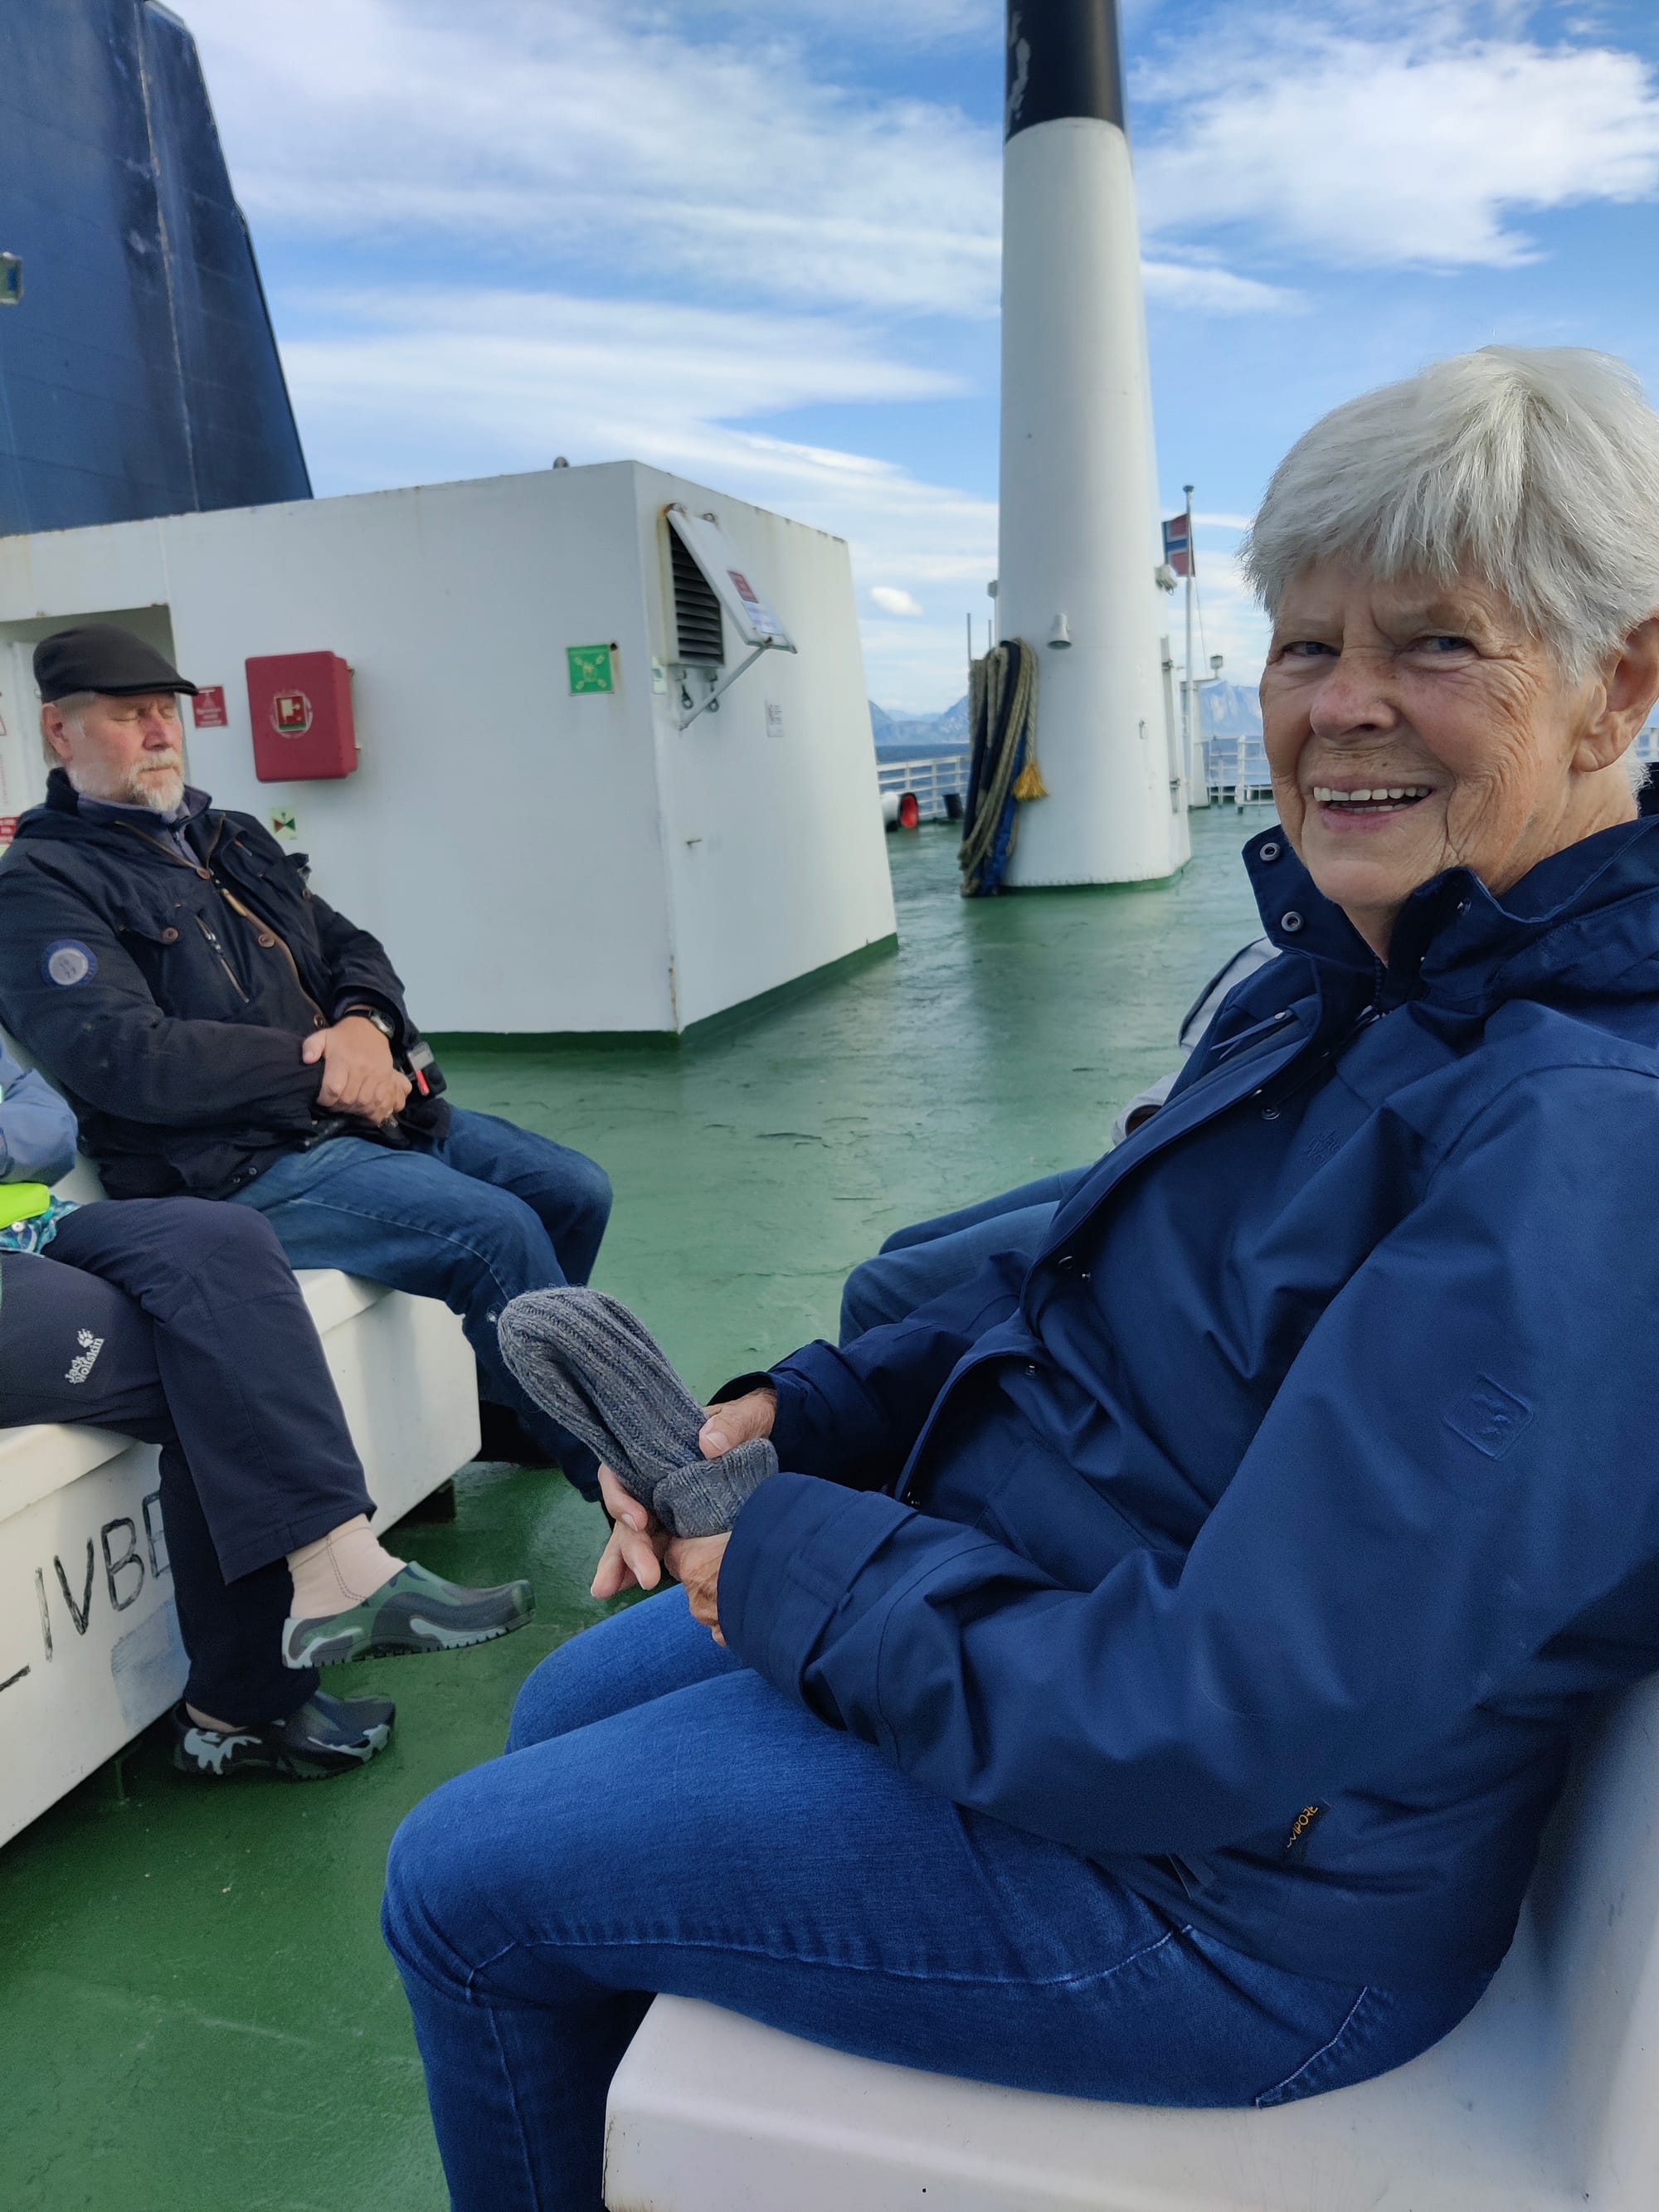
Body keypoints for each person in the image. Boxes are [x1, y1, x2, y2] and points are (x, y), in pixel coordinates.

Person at [383, 343, 1659, 2210]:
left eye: (1436, 644)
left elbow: (1225, 1711)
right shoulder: (1349, 984)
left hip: (1232, 1897)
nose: (1340, 706)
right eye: (1306, 645)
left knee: (459, 1879)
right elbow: (1082, 1295)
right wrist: (806, 1415)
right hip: (1075, 1634)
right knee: (563, 1713)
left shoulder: (1585, 1135)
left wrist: (791, 1556)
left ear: (1617, 682)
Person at [0, 625, 612, 1490]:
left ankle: (506, 1414)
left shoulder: (230, 837)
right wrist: (322, 1070)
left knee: (573, 1189)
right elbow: (124, 1058)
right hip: (225, 1167)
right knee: (494, 1232)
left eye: (167, 711)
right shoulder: (40, 885)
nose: (161, 732)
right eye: (130, 715)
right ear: (59, 731)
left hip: (352, 1120)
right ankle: (629, 1487)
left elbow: (350, 945)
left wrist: (364, 1024)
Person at [0, 1040, 533, 1779]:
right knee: (203, 1354)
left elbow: (45, 1120)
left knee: (225, 1242)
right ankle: (243, 1701)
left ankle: (333, 1574)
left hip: (32, 1224)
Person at [835, 937, 1277, 1341]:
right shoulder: (1295, 946)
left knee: (873, 1291)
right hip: (1156, 1160)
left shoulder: (1306, 955)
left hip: (1200, 1199)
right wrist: (1159, 1120)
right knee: (903, 1245)